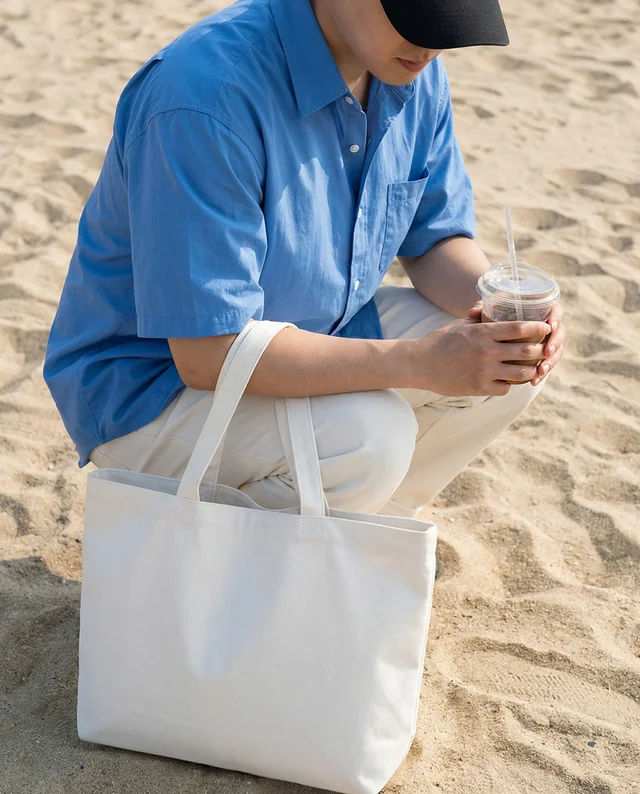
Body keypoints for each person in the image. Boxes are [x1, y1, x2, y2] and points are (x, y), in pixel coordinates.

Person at [44, 0, 566, 518]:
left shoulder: (407, 67)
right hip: (154, 388)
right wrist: (424, 362)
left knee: (507, 365)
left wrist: (506, 308)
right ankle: (212, 570)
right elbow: (209, 353)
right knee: (367, 438)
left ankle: (352, 539)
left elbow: (432, 241)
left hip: (315, 330)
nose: (431, 45)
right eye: (415, 18)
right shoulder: (204, 96)